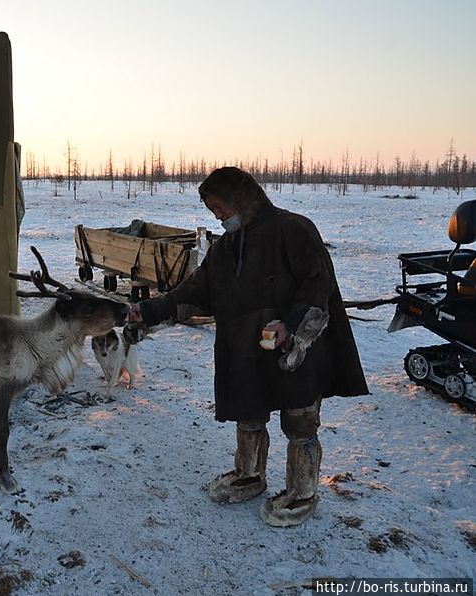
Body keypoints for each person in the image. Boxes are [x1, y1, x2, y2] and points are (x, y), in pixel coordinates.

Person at [128, 166, 368, 527]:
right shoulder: (225, 249)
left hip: (293, 351)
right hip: (245, 349)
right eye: (213, 211)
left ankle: (302, 492)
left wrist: (290, 325)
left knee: (300, 421)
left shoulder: (293, 229)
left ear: (243, 197)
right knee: (249, 412)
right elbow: (194, 293)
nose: (218, 216)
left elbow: (318, 283)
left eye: (221, 207)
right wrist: (146, 311)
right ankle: (250, 475)